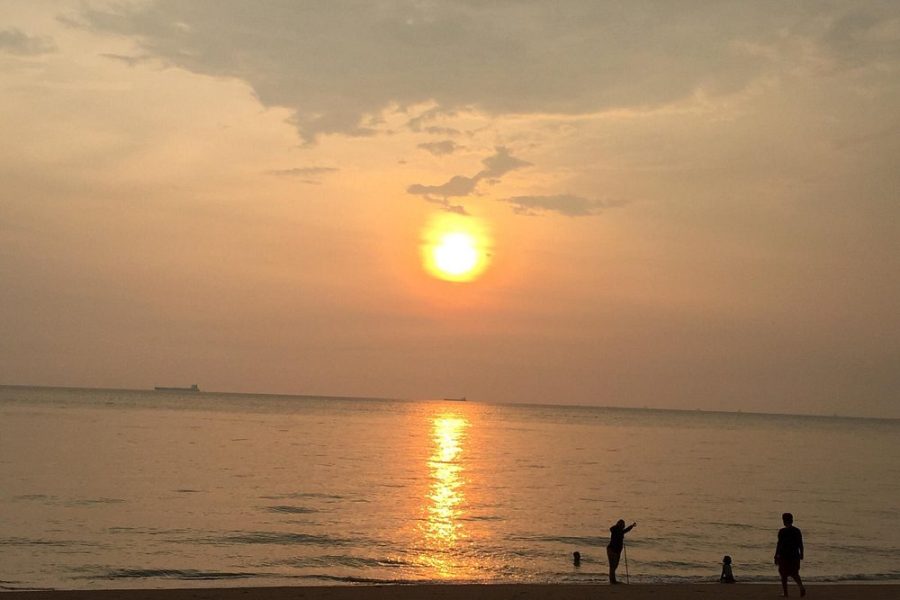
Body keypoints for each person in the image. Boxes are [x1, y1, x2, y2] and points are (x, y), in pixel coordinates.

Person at [774, 512, 806, 597]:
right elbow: (800, 543)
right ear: (792, 520)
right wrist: (802, 553)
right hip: (795, 555)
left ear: (784, 521)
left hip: (784, 555)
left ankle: (785, 592)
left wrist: (776, 555)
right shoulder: (797, 531)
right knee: (794, 573)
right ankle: (801, 586)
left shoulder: (782, 531)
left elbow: (779, 544)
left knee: (783, 574)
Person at [607, 519, 636, 584]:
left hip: (617, 551)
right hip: (612, 550)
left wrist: (632, 526)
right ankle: (612, 581)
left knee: (615, 566)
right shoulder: (615, 530)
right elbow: (611, 528)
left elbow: (626, 530)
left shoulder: (621, 531)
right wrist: (617, 525)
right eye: (621, 524)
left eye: (623, 524)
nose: (623, 525)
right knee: (612, 566)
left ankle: (613, 580)